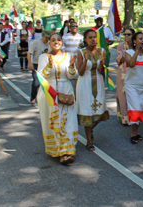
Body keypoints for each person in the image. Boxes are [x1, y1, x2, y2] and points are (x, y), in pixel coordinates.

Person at [36, 33, 79, 165]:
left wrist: (72, 66)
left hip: (66, 91)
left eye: (59, 40)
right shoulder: (43, 57)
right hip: (49, 93)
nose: (56, 42)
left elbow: (73, 76)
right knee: (55, 122)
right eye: (53, 40)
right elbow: (41, 75)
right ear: (49, 43)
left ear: (62, 42)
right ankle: (59, 152)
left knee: (68, 121)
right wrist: (49, 65)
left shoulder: (68, 57)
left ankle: (67, 151)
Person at [76, 29, 109, 152]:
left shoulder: (102, 51)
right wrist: (85, 60)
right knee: (87, 112)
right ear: (85, 39)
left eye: (94, 37)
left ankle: (90, 130)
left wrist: (102, 61)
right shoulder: (81, 52)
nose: (93, 39)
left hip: (98, 83)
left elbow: (101, 71)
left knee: (99, 111)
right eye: (90, 37)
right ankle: (89, 141)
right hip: (84, 84)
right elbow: (80, 72)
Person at [124, 32, 143, 144]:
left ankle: (136, 132)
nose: (142, 41)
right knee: (135, 108)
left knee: (141, 109)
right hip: (132, 86)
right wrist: (137, 51)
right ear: (134, 41)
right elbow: (131, 64)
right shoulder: (128, 52)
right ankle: (133, 133)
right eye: (140, 39)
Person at [116, 28, 134, 124]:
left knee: (133, 93)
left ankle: (134, 115)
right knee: (123, 94)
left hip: (134, 72)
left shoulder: (136, 45)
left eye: (129, 34)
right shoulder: (121, 45)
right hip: (123, 72)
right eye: (125, 34)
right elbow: (120, 60)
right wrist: (126, 52)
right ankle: (125, 117)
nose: (126, 36)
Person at [28, 30, 52, 104]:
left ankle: (44, 98)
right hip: (36, 64)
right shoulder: (36, 42)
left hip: (46, 65)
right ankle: (33, 96)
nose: (47, 40)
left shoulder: (49, 44)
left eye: (48, 38)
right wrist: (30, 64)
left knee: (47, 82)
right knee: (36, 83)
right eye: (46, 38)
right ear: (42, 36)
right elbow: (29, 53)